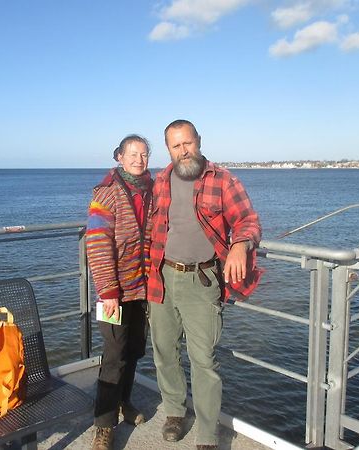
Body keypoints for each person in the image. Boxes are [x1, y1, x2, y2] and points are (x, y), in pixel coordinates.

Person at [147, 119, 262, 450]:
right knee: (164, 352)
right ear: (168, 149)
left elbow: (248, 220)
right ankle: (173, 412)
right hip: (162, 277)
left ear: (198, 141)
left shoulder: (222, 179)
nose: (183, 151)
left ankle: (208, 434)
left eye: (188, 143)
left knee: (204, 360)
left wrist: (241, 244)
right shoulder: (161, 180)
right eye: (175, 146)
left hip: (203, 280)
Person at [86, 134, 153, 450]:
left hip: (143, 289)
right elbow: (97, 244)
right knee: (114, 356)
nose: (139, 159)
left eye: (144, 154)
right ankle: (103, 425)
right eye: (133, 154)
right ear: (119, 157)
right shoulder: (108, 193)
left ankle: (125, 402)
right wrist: (108, 290)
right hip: (114, 291)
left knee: (135, 350)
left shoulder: (152, 190)